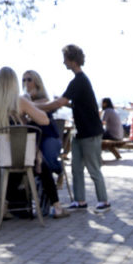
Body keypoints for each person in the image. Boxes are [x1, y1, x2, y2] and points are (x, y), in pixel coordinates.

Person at [0, 67, 69, 220]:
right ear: (14, 83)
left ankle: (4, 205)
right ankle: (57, 207)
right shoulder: (20, 101)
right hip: (22, 157)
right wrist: (27, 113)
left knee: (12, 168)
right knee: (41, 165)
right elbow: (45, 120)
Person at [37, 44, 109, 212]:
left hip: (90, 132)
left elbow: (59, 103)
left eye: (65, 59)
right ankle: (80, 200)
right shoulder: (79, 82)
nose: (63, 63)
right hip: (80, 132)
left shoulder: (79, 81)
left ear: (72, 60)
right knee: (76, 168)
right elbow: (76, 104)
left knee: (93, 168)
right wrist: (63, 103)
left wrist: (34, 107)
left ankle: (104, 202)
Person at [17, 69, 69, 219]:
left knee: (48, 164)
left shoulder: (44, 99)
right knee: (38, 168)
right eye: (24, 80)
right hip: (33, 139)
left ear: (36, 82)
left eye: (29, 79)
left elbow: (41, 106)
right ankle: (46, 204)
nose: (26, 83)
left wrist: (24, 105)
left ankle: (59, 171)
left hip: (48, 136)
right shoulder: (24, 100)